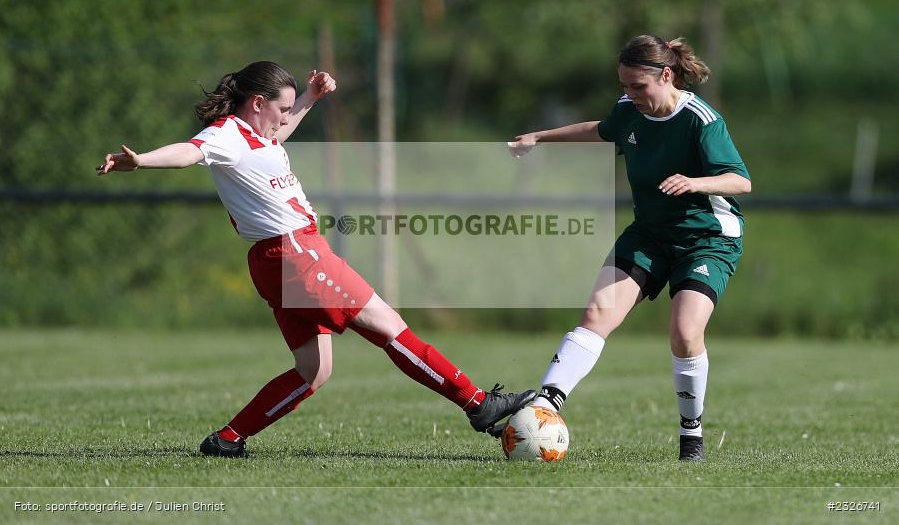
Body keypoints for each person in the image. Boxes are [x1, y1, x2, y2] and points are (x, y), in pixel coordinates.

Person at [97, 61, 535, 457]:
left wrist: (310, 99)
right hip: (296, 254)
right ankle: (478, 403)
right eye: (282, 109)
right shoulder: (226, 134)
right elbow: (190, 151)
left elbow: (274, 136)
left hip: (274, 260)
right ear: (257, 103)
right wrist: (142, 162)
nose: (286, 119)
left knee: (314, 369)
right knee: (390, 327)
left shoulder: (256, 136)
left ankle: (228, 439)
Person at [505, 35, 751, 461]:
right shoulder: (628, 112)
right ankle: (545, 405)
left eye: (638, 86)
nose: (629, 95)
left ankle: (690, 431)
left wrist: (695, 183)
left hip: (706, 238)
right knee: (597, 312)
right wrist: (540, 137)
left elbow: (740, 180)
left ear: (666, 75)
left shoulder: (701, 120)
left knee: (685, 331)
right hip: (650, 234)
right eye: (623, 86)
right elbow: (600, 131)